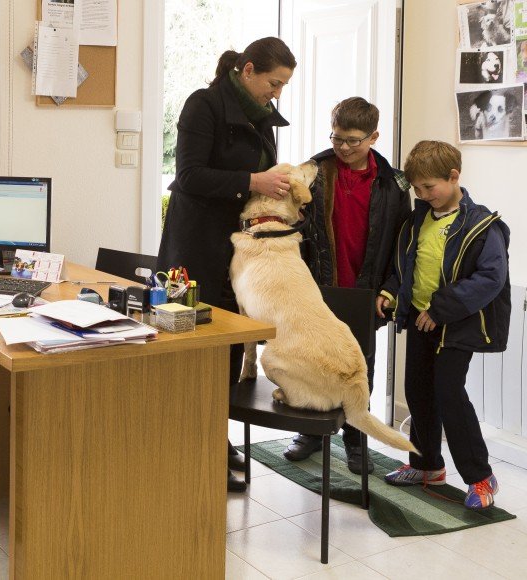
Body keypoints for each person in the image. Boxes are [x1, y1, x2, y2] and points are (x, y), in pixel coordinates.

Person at [157, 37, 297, 492]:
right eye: (274, 83)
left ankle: (216, 437)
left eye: (283, 86)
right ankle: (194, 449)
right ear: (248, 69)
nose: (277, 93)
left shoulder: (262, 114)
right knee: (195, 351)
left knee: (231, 345)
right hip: (196, 245)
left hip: (240, 249)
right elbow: (188, 175)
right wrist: (253, 180)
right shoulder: (204, 104)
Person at [378, 140, 510, 509]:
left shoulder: (482, 225)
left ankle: (481, 478)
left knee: (449, 393)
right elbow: (405, 265)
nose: (422, 195)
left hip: (456, 325)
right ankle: (427, 466)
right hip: (421, 321)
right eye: (416, 189)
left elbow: (491, 278)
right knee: (418, 390)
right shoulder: (417, 220)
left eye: (429, 187)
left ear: (454, 177)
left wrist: (440, 309)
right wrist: (390, 291)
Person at [286, 97, 411, 474]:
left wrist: (389, 289)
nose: (343, 147)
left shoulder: (393, 183)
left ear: (374, 137)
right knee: (312, 362)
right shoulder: (315, 171)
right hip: (317, 287)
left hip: (365, 293)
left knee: (360, 368)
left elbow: (403, 244)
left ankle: (356, 441)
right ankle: (311, 431)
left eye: (353, 140)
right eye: (337, 138)